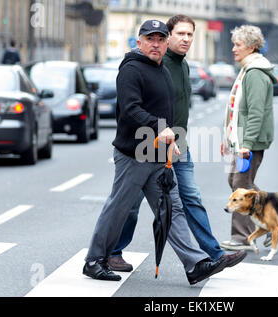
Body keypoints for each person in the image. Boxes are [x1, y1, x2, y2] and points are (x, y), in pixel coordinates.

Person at [83, 19, 227, 284]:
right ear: (139, 42)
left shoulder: (160, 69)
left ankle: (195, 264)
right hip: (134, 154)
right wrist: (159, 127)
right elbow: (130, 108)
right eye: (151, 39)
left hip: (159, 155)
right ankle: (94, 260)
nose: (156, 44)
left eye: (161, 39)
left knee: (172, 210)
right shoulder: (131, 70)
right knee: (119, 207)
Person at [107, 15, 246, 273]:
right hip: (148, 144)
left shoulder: (183, 66)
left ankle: (213, 254)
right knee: (130, 204)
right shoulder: (157, 64)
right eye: (180, 34)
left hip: (177, 143)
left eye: (190, 35)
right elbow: (136, 107)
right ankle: (112, 252)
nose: (186, 39)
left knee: (189, 198)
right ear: (168, 37)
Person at [220, 25, 278, 251]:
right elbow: (237, 109)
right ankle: (276, 218)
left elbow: (256, 113)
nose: (233, 48)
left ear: (251, 47)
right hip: (243, 140)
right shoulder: (248, 68)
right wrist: (228, 138)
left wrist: (246, 144)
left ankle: (240, 237)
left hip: (250, 142)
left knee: (240, 185)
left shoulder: (255, 73)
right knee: (237, 182)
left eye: (238, 44)